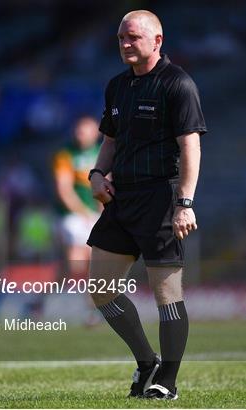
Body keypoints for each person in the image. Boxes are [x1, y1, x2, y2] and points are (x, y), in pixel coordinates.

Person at [86, 10, 207, 400]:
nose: (124, 44)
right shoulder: (117, 86)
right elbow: (110, 140)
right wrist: (96, 174)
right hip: (122, 200)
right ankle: (146, 362)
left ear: (157, 40)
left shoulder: (178, 84)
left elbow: (191, 146)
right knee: (100, 289)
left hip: (161, 199)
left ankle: (166, 382)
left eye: (133, 37)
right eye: (121, 37)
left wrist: (185, 202)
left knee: (167, 296)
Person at [53, 116, 101, 325]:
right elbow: (64, 190)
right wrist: (84, 213)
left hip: (95, 216)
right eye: (78, 130)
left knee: (90, 265)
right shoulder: (65, 155)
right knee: (77, 263)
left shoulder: (102, 153)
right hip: (73, 216)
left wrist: (101, 212)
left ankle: (91, 311)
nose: (80, 134)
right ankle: (49, 301)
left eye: (85, 130)